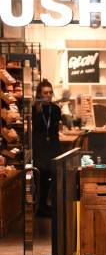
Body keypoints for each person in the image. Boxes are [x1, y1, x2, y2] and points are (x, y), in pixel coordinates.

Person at [32, 79, 62, 216]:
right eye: (45, 93)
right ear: (39, 94)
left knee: (52, 174)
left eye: (50, 92)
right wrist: (37, 107)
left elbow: (55, 128)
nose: (48, 95)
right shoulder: (34, 109)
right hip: (39, 146)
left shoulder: (55, 109)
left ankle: (45, 204)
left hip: (53, 146)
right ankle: (40, 206)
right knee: (41, 174)